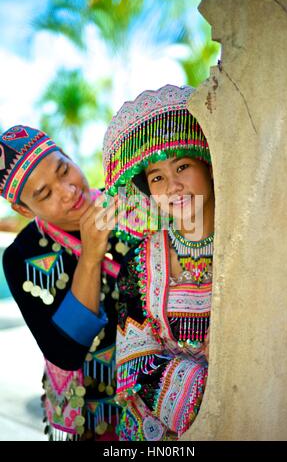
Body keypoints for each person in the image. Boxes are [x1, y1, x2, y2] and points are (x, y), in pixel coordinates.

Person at [0, 124, 131, 440]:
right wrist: (91, 257)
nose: (69, 191)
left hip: (157, 398)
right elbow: (66, 352)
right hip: (89, 417)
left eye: (64, 170)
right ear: (22, 208)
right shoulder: (22, 256)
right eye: (44, 194)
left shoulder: (128, 208)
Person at [102, 84, 214, 441]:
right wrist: (208, 396)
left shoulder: (249, 246)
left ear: (209, 167)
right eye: (157, 177)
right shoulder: (140, 261)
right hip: (157, 431)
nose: (173, 186)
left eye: (183, 166)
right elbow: (136, 364)